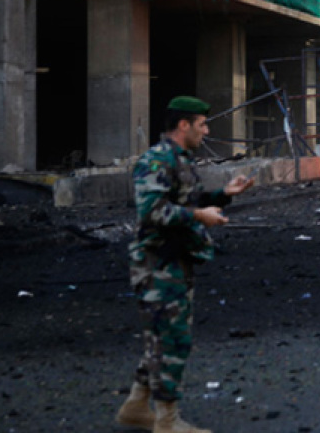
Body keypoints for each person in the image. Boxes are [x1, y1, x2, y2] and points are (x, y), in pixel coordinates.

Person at [116, 96, 254, 433]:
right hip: (157, 264)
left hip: (175, 259)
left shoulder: (180, 159)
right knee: (173, 340)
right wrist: (198, 216)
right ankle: (167, 421)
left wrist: (224, 194)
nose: (206, 131)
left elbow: (189, 201)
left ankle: (136, 405)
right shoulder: (156, 160)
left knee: (160, 337)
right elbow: (151, 211)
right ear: (184, 125)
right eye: (202, 124)